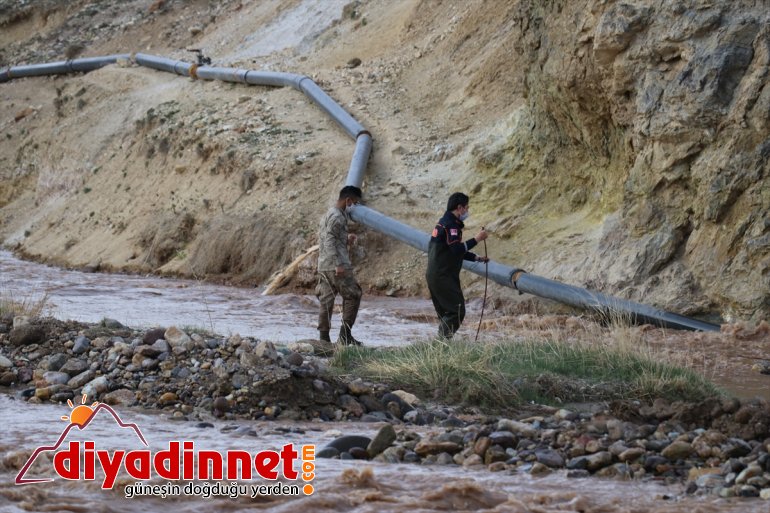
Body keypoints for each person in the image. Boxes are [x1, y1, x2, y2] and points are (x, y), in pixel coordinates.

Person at [426, 192, 488, 339]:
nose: (467, 211)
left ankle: (441, 348)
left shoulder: (444, 222)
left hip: (436, 275)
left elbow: (453, 251)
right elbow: (457, 249)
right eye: (466, 208)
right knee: (457, 311)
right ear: (459, 208)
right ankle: (441, 344)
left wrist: (477, 258)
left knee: (447, 314)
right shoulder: (451, 225)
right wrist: (477, 239)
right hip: (443, 276)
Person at [316, 186, 364, 346]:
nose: (353, 206)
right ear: (347, 200)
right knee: (353, 294)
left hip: (323, 264)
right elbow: (329, 240)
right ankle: (345, 336)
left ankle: (323, 339)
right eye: (353, 203)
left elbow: (329, 237)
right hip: (337, 264)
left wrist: (345, 237)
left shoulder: (329, 214)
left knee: (326, 299)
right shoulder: (337, 217)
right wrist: (338, 264)